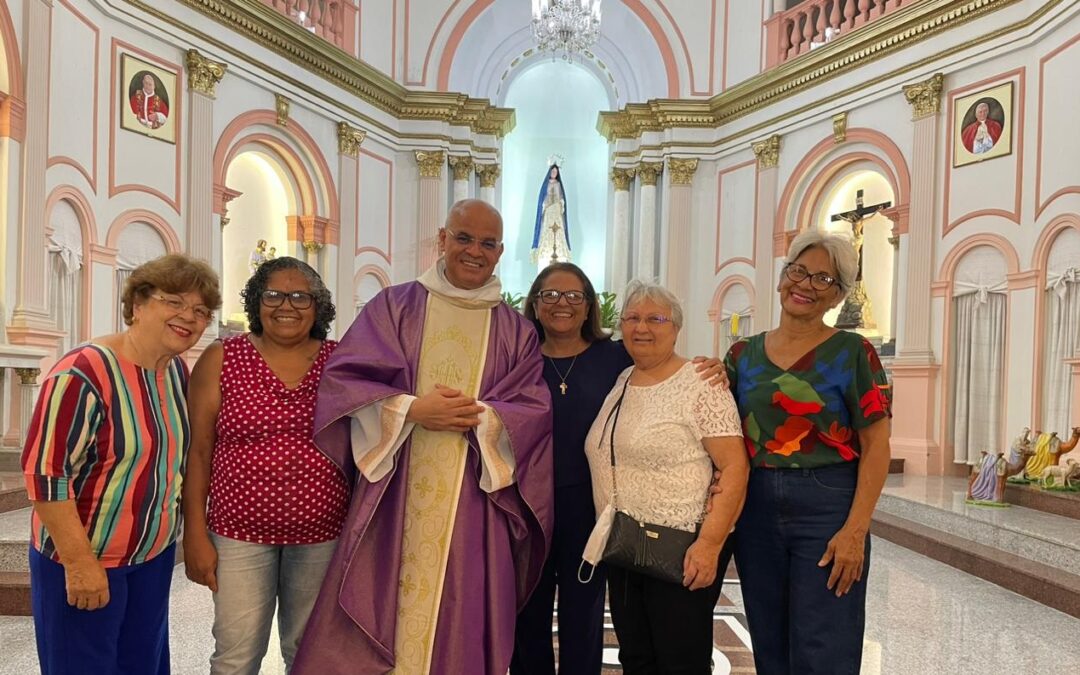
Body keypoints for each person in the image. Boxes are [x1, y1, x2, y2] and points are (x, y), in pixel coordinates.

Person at [292, 199, 553, 675]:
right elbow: (345, 382)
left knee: (463, 607)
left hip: (475, 501)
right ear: (442, 239)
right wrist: (414, 410)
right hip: (396, 494)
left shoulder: (515, 331)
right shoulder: (395, 306)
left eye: (487, 243)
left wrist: (484, 418)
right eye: (464, 238)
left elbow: (533, 409)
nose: (474, 251)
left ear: (500, 253)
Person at [511, 264, 728, 675]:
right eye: (551, 294)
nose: (563, 303)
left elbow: (667, 367)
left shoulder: (616, 356)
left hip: (592, 511)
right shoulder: (515, 360)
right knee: (526, 613)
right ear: (535, 304)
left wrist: (718, 369)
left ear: (590, 305)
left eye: (575, 295)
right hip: (527, 505)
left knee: (584, 616)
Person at [21, 254, 220, 674]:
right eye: (175, 302)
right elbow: (45, 475)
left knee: (142, 665)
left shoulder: (174, 372)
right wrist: (80, 564)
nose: (189, 317)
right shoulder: (82, 373)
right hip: (86, 559)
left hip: (150, 557)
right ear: (139, 304)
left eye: (201, 311)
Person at [724, 229, 892, 674]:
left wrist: (855, 531)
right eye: (798, 271)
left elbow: (877, 446)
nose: (805, 285)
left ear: (838, 296)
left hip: (828, 505)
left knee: (825, 644)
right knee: (769, 639)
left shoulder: (854, 352)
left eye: (823, 280)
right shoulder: (742, 355)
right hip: (755, 505)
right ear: (782, 278)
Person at [182, 257, 349, 673]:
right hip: (239, 536)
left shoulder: (341, 361)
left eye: (300, 296)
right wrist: (195, 534)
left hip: (322, 536)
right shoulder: (223, 357)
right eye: (272, 294)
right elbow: (198, 451)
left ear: (318, 306)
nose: (285, 305)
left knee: (310, 653)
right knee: (236, 655)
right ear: (257, 302)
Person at [582, 280, 748, 674]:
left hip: (679, 546)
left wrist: (709, 544)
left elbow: (735, 466)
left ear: (676, 327)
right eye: (633, 318)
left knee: (681, 661)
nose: (643, 328)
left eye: (656, 319)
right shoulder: (623, 380)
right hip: (624, 542)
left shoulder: (701, 383)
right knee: (637, 658)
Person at [531, 164, 571, 266]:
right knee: (547, 230)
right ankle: (546, 250)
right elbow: (542, 198)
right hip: (548, 211)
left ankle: (560, 252)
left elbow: (561, 196)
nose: (554, 173)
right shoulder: (546, 184)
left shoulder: (558, 184)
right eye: (552, 171)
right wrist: (545, 205)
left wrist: (561, 203)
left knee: (558, 231)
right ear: (550, 172)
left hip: (557, 211)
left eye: (555, 172)